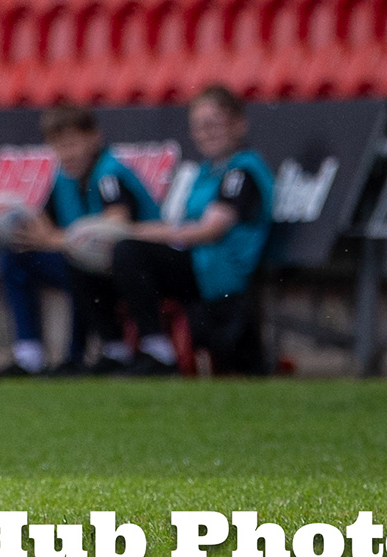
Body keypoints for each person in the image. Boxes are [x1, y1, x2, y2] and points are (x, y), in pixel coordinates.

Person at [110, 85, 275, 375]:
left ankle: (157, 351)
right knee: (106, 258)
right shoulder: (205, 172)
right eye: (198, 126)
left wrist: (133, 233)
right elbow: (178, 223)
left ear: (239, 124)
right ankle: (112, 350)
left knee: (130, 252)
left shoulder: (241, 171)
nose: (205, 133)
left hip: (221, 276)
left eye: (213, 124)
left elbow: (209, 230)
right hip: (200, 268)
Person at [0, 104, 159, 377]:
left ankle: (81, 355)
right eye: (57, 146)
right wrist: (1, 218)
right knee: (16, 259)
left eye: (71, 144)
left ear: (94, 138)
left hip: (135, 268)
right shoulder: (62, 177)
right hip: (93, 265)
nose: (65, 154)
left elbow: (116, 225)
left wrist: (58, 240)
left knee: (79, 259)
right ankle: (29, 354)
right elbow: (42, 225)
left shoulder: (109, 173)